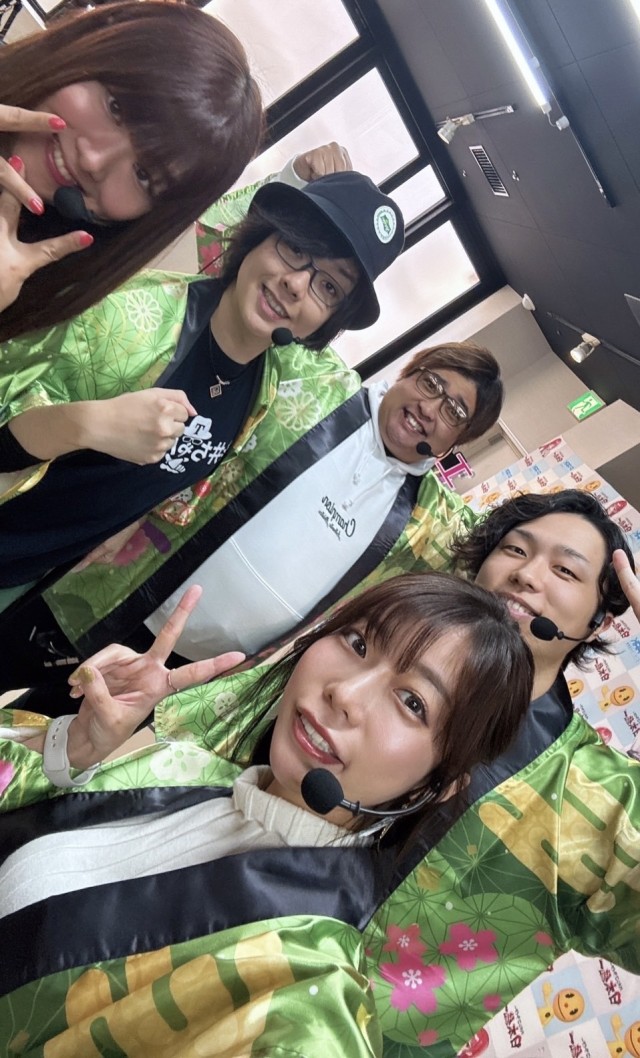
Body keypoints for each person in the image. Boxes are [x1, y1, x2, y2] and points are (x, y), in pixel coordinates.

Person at [0, 163, 501, 709]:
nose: (296, 284)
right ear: (407, 372)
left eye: (454, 411)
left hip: (113, 618)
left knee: (42, 739)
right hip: (77, 581)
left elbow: (492, 557)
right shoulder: (306, 383)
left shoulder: (276, 384)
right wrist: (295, 173)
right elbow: (221, 240)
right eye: (431, 383)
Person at [0, 572, 534, 1057]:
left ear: (435, 786)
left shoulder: (309, 989)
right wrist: (74, 747)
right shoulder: (186, 767)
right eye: (358, 643)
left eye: (413, 702)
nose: (345, 694)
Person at [0, 168, 404, 616]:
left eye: (328, 287)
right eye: (295, 248)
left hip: (29, 577)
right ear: (259, 238)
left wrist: (133, 512)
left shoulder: (264, 389)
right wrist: (89, 424)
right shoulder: (132, 320)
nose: (296, 284)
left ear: (327, 322)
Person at [358, 489, 639, 1056]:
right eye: (515, 549)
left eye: (565, 570)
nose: (526, 575)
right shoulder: (361, 665)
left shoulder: (593, 795)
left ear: (596, 622)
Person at [0, 0, 263, 338]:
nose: (93, 161)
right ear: (92, 43)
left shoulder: (47, 298)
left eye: (144, 176)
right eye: (115, 108)